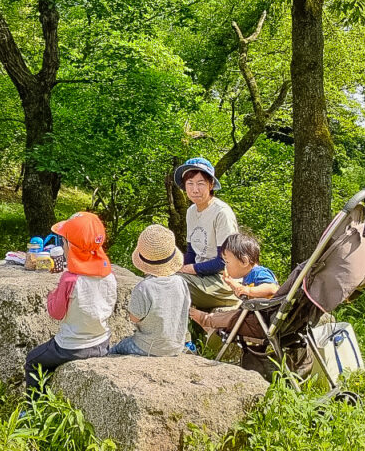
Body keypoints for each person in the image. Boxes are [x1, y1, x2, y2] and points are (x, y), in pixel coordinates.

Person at [25, 212, 117, 395]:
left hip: (71, 346)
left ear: (69, 247)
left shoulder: (70, 279)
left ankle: (32, 408)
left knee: (33, 361)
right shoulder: (109, 275)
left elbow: (56, 313)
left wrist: (52, 296)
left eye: (63, 241)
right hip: (101, 342)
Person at [109, 224, 190, 357]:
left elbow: (134, 317)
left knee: (117, 348)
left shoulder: (144, 287)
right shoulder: (181, 282)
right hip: (176, 346)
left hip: (148, 347)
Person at [174, 157, 241, 309]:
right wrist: (175, 267)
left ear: (211, 185)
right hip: (201, 276)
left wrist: (192, 269)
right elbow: (191, 252)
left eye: (200, 183)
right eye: (190, 184)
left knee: (172, 285)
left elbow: (225, 261)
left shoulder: (221, 213)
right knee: (160, 278)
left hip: (222, 281)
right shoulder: (191, 211)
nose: (194, 189)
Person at [189, 232, 279, 338]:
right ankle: (213, 328)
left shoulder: (259, 272)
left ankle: (206, 320)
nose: (225, 266)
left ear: (244, 262)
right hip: (257, 318)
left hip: (264, 319)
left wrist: (248, 290)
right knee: (226, 313)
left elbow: (272, 288)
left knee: (232, 316)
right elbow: (242, 292)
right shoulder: (249, 276)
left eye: (227, 262)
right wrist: (231, 282)